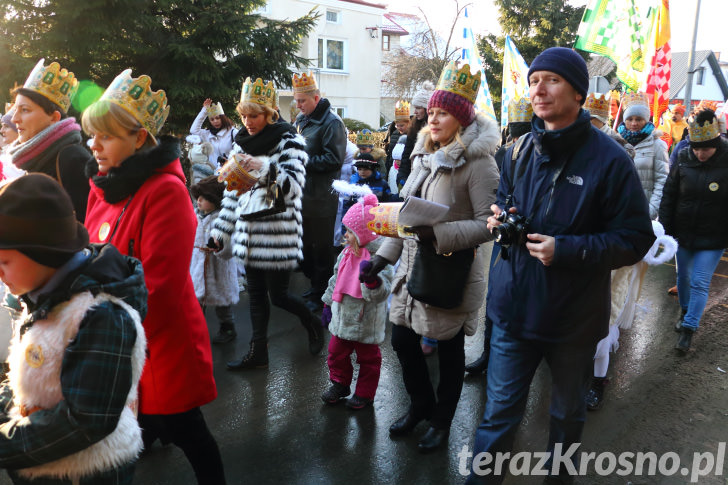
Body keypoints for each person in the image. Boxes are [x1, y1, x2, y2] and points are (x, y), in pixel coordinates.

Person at [466, 47, 654, 483]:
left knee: (566, 422)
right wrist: (500, 218)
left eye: (550, 79)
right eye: (533, 81)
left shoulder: (611, 160)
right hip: (514, 313)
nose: (538, 89)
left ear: (578, 92)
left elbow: (635, 239)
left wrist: (566, 250)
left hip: (572, 320)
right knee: (496, 422)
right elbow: (506, 204)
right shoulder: (515, 153)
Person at [82, 69, 225, 484]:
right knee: (129, 437)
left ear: (139, 138)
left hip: (158, 344)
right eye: (93, 135)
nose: (94, 145)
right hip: (117, 339)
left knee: (186, 430)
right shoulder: (104, 186)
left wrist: (100, 330)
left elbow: (158, 287)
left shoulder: (165, 190)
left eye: (105, 136)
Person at [362, 60, 501, 453]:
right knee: (403, 343)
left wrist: (437, 234)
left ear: (461, 117)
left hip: (449, 272)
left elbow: (487, 224)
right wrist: (382, 258)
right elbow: (407, 218)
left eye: (443, 113)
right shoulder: (423, 156)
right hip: (412, 270)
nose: (433, 118)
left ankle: (442, 421)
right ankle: (421, 405)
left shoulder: (480, 163)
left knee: (450, 350)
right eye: (432, 112)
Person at [0, 173, 147, 484]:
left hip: (85, 471)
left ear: (43, 252)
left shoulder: (101, 314)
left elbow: (85, 421)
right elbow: (26, 372)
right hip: (43, 460)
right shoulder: (43, 292)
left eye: (5, 260)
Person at [212, 77, 323, 369]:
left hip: (278, 233)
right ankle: (257, 352)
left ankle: (312, 320)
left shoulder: (290, 141)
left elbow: (294, 186)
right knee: (257, 296)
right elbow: (233, 193)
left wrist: (263, 167)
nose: (248, 122)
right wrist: (220, 232)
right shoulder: (240, 144)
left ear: (270, 113)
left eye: (255, 115)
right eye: (244, 115)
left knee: (280, 296)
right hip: (249, 231)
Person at [465, 96, 534, 377]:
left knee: (526, 299)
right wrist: (502, 214)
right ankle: (489, 354)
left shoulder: (543, 153)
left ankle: (519, 359)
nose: (517, 142)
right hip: (505, 235)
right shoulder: (505, 154)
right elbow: (500, 192)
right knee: (497, 295)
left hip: (534, 237)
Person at [659, 109, 728, 353]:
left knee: (700, 281)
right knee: (683, 279)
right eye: (696, 148)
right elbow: (669, 194)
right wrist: (666, 229)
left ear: (716, 144)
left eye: (705, 149)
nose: (700, 153)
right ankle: (686, 310)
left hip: (714, 236)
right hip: (683, 232)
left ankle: (688, 329)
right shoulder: (684, 157)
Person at [320, 193, 394, 410]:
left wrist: (372, 281)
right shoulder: (345, 254)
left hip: (365, 320)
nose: (346, 235)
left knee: (368, 359)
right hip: (342, 316)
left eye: (350, 232)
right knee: (335, 353)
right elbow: (335, 279)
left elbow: (382, 292)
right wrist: (327, 304)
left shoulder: (380, 259)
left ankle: (364, 393)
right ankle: (340, 384)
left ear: (364, 233)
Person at [6, 59, 92, 221]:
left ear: (54, 117)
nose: (15, 119)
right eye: (15, 110)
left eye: (25, 110)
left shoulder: (72, 158)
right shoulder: (33, 157)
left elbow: (82, 226)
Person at [292, 72, 347, 312]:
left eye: (302, 100)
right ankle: (315, 285)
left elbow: (334, 160)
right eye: (296, 100)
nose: (298, 105)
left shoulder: (332, 123)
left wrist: (301, 160)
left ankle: (322, 293)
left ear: (316, 98)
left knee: (321, 249)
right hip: (302, 194)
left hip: (322, 197)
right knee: (305, 247)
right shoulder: (301, 120)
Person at [190, 175, 239, 344]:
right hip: (198, 263)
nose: (199, 201)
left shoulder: (221, 219)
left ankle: (228, 327)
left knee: (222, 300)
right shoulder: (195, 216)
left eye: (205, 198)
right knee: (196, 299)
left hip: (218, 266)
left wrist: (220, 246)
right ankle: (196, 327)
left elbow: (230, 245)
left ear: (216, 200)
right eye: (198, 198)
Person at [617, 92, 669, 220]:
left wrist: (650, 211)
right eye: (630, 119)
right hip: (618, 211)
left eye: (639, 119)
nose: (634, 123)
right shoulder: (616, 143)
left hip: (644, 212)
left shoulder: (657, 145)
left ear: (646, 120)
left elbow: (662, 181)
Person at [397, 81, 435, 186]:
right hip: (412, 179)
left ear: (427, 109)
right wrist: (401, 176)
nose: (415, 112)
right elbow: (406, 156)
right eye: (415, 108)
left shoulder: (436, 131)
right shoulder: (414, 129)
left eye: (418, 108)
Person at [189, 98, 237, 167]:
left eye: (217, 118)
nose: (215, 121)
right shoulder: (207, 134)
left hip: (231, 171)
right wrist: (204, 110)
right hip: (214, 174)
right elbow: (193, 130)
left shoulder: (233, 132)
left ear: (223, 118)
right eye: (212, 119)